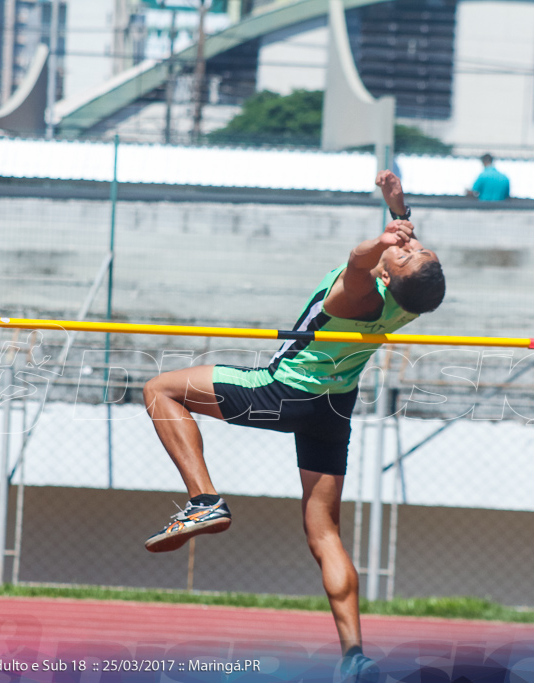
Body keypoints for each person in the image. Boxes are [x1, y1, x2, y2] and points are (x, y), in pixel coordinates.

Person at [141, 169, 445, 682]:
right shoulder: (407, 301)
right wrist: (398, 211)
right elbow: (400, 263)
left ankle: (203, 501)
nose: (411, 245)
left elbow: (357, 260)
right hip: (333, 407)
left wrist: (381, 236)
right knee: (324, 530)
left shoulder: (362, 295)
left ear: (388, 276)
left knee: (159, 390)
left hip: (284, 391)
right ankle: (354, 656)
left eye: (409, 251)